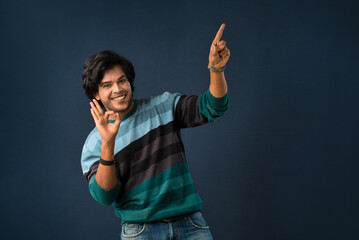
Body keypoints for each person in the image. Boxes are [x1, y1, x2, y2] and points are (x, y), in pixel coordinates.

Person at [81, 23, 230, 240]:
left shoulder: (164, 106)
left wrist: (216, 70)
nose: (118, 89)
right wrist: (108, 143)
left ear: (129, 81)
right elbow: (105, 195)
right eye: (107, 85)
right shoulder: (93, 143)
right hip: (141, 231)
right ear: (96, 93)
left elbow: (213, 107)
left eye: (122, 80)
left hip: (190, 224)